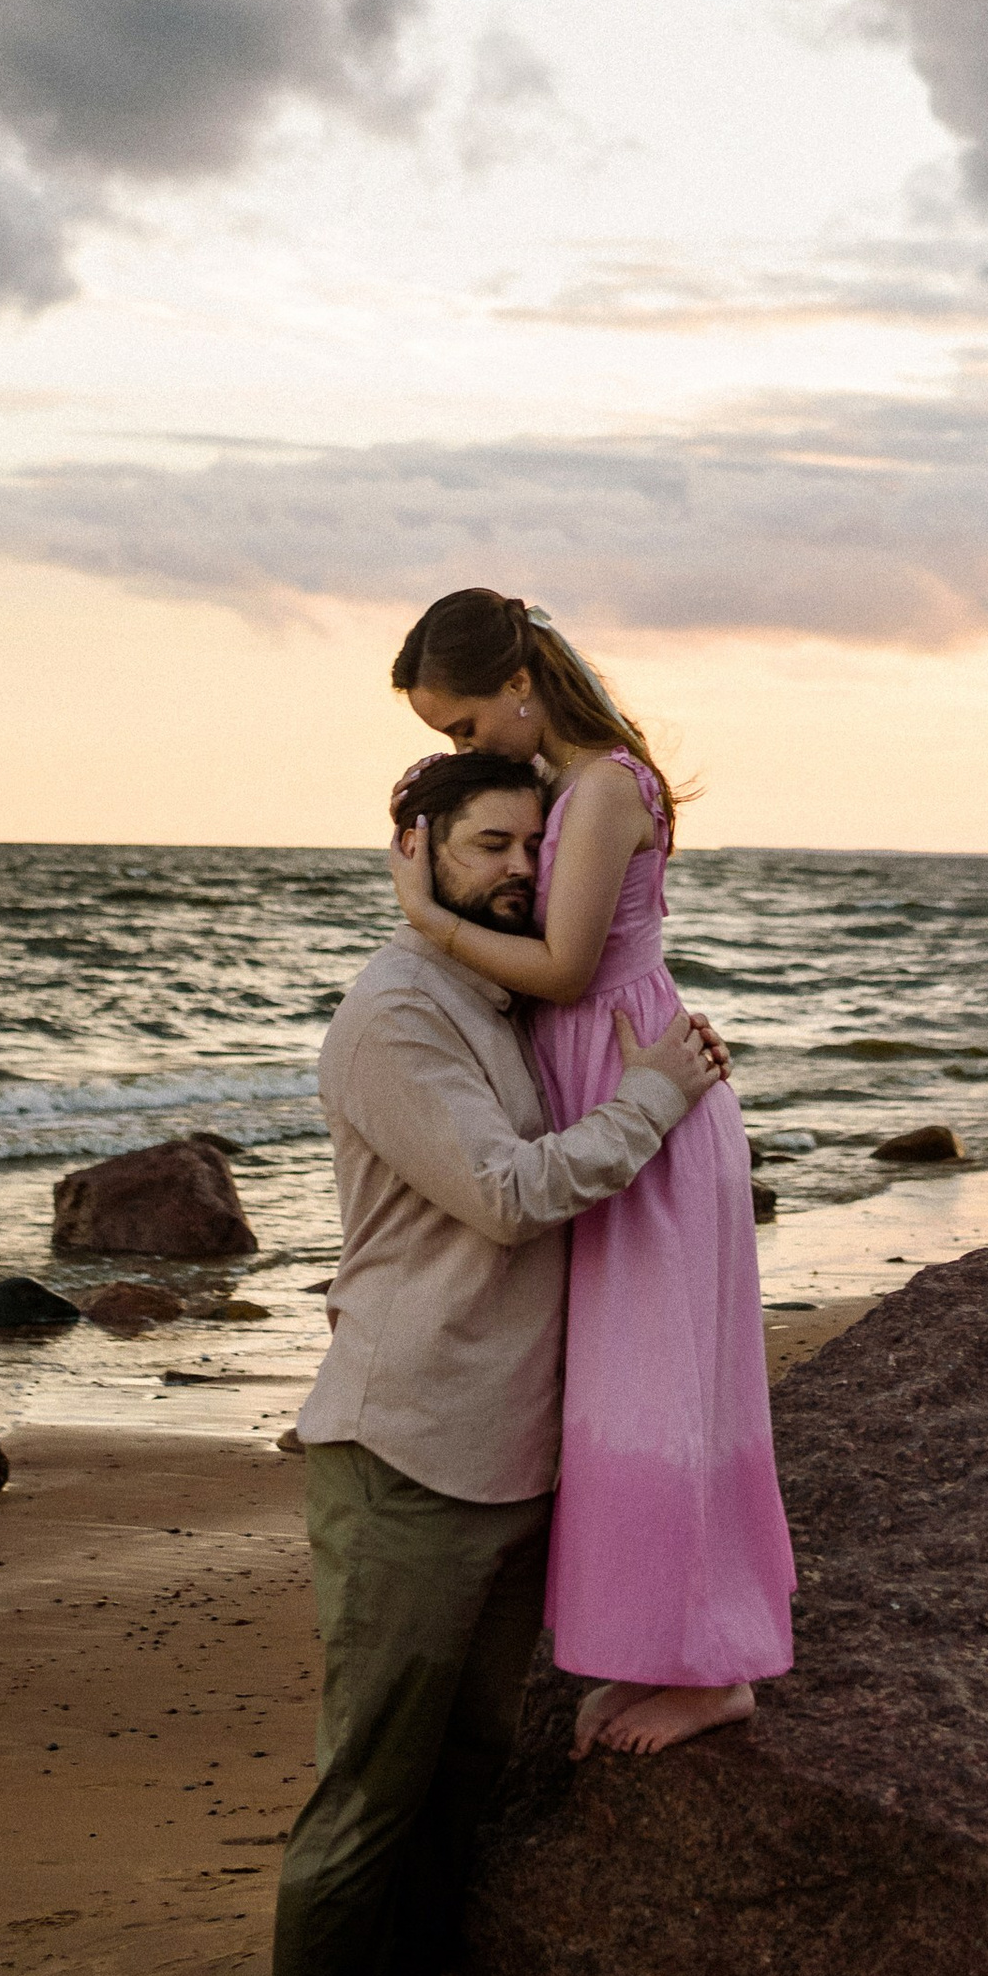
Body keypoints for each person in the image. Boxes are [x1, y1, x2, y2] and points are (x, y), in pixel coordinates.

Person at [261, 744, 731, 1976]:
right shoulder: (395, 1014)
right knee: (364, 1798)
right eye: (487, 843)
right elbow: (513, 1193)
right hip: (405, 1450)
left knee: (452, 1788)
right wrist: (654, 1097)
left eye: (536, 842)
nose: (524, 870)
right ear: (413, 846)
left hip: (512, 1457)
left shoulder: (506, 998)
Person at [389, 586, 797, 1765]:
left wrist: (422, 915)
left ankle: (716, 1671)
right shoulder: (561, 788)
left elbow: (567, 967)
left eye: (464, 724)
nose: (460, 745)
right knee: (617, 1396)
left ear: (519, 682)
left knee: (665, 1390)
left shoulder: (608, 785)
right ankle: (658, 1645)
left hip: (643, 1110)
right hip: (606, 1100)